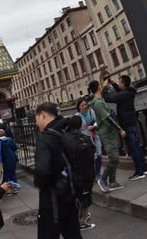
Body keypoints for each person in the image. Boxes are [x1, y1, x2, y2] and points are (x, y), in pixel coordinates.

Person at [33, 102, 83, 239]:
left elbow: (42, 171)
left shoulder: (44, 139)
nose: (36, 123)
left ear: (43, 115)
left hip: (53, 200)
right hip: (71, 193)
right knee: (73, 234)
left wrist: (39, 183)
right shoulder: (67, 130)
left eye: (36, 118)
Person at [103, 75, 147, 181]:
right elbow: (120, 92)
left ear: (123, 84)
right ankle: (143, 168)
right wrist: (113, 83)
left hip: (126, 123)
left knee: (133, 148)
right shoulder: (129, 92)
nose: (118, 84)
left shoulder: (124, 94)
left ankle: (139, 172)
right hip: (132, 121)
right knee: (137, 146)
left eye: (119, 82)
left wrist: (104, 88)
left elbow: (108, 98)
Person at [89, 79, 126, 193]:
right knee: (114, 158)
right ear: (98, 87)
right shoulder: (98, 103)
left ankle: (113, 182)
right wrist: (120, 129)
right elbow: (107, 118)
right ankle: (103, 179)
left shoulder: (98, 101)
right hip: (107, 133)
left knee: (115, 158)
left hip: (108, 132)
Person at [75, 97, 99, 231]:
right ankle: (81, 220)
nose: (84, 106)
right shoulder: (77, 117)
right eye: (82, 105)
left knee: (96, 157)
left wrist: (94, 127)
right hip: (86, 143)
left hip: (93, 138)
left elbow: (96, 121)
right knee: (84, 195)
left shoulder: (91, 112)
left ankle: (82, 216)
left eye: (86, 104)